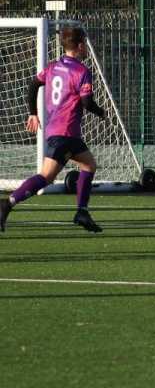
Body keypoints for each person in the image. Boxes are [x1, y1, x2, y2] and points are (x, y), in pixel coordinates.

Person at [0, 25, 106, 234]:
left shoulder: (52, 66)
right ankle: (8, 203)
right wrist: (101, 112)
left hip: (56, 131)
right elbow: (86, 102)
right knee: (47, 177)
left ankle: (82, 211)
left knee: (88, 165)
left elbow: (33, 85)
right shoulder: (82, 71)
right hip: (66, 132)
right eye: (84, 44)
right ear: (80, 45)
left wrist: (32, 113)